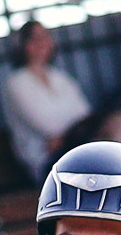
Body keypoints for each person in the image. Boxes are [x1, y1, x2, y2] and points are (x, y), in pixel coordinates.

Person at [5, 19, 92, 179]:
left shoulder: (60, 77)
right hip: (46, 161)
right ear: (22, 45)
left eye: (45, 36)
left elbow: (85, 115)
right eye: (34, 38)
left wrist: (63, 137)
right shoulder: (16, 82)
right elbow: (47, 125)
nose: (41, 42)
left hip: (76, 147)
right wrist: (70, 133)